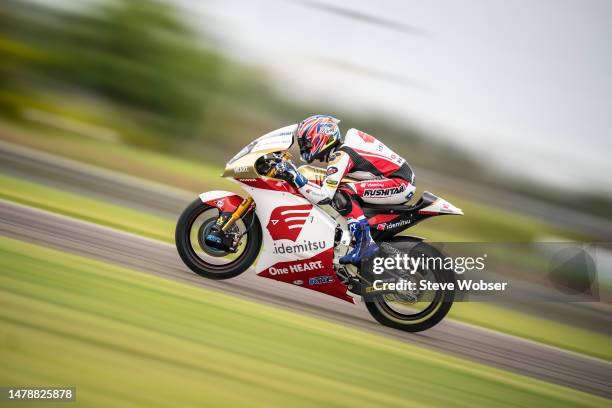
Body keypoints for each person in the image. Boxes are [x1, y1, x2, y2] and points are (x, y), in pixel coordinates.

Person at [275, 115, 416, 265]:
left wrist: (294, 176)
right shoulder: (344, 150)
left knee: (344, 193)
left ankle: (365, 243)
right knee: (339, 188)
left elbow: (324, 196)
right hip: (394, 178)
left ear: (321, 137)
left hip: (400, 183)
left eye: (306, 142)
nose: (304, 147)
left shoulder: (342, 155)